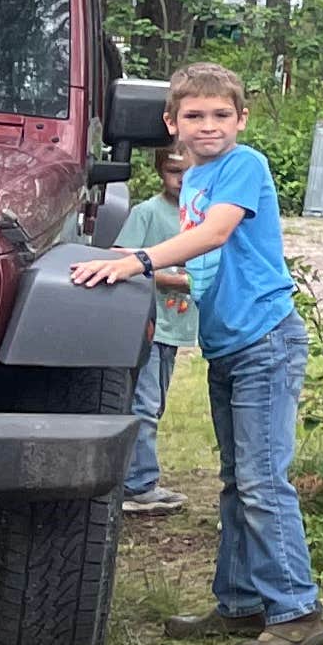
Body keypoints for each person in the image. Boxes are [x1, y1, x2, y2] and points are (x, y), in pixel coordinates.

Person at [73, 65, 323, 645]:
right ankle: (240, 602)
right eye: (194, 115)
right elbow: (206, 262)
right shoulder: (194, 178)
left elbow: (214, 235)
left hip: (266, 341)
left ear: (241, 119)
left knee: (263, 482)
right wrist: (139, 276)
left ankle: (298, 614)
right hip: (228, 346)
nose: (208, 125)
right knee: (238, 482)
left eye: (220, 115)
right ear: (172, 123)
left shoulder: (245, 166)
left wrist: (137, 259)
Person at [112, 144, 203, 516]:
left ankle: (136, 475)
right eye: (174, 172)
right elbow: (120, 259)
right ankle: (138, 484)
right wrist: (175, 279)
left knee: (155, 402)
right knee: (145, 404)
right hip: (150, 324)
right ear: (160, 172)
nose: (182, 180)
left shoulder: (201, 219)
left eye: (190, 172)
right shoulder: (147, 213)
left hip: (176, 326)